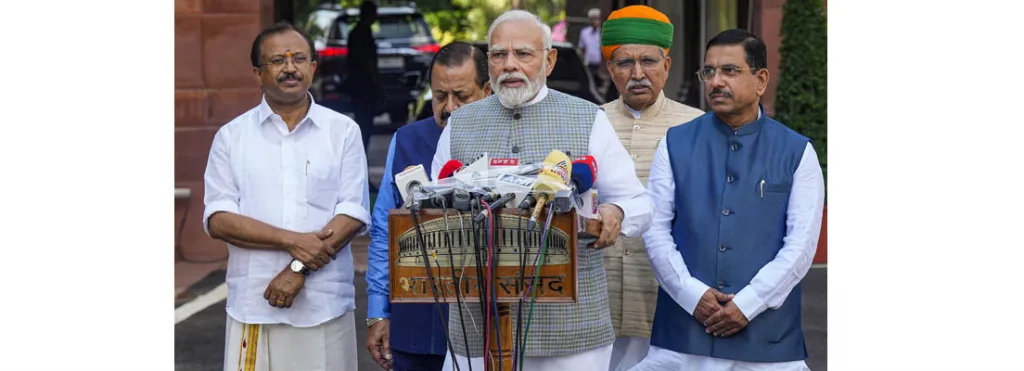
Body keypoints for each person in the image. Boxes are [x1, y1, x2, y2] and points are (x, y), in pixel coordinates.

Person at [436, 10, 653, 371]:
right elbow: (433, 202)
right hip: (478, 324)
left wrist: (615, 215)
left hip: (571, 329)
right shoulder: (460, 123)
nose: (510, 65)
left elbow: (637, 202)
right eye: (498, 55)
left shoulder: (587, 118)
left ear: (549, 60)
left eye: (523, 54)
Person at [630, 29, 825, 371]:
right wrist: (694, 296)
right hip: (684, 336)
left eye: (730, 71)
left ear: (761, 79)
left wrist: (749, 304)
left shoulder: (796, 151)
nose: (716, 81)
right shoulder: (675, 143)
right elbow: (655, 229)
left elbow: (801, 246)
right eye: (709, 72)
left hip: (769, 340)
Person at [202, 22, 370, 371]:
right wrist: (293, 242)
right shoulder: (232, 137)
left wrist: (298, 267)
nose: (290, 68)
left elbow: (352, 212)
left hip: (325, 306)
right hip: (255, 305)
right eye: (278, 60)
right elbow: (219, 220)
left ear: (313, 66)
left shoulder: (343, 131)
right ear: (258, 73)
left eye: (299, 59)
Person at [365, 41, 492, 371]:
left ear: (487, 90)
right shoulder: (406, 140)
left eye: (461, 96)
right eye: (439, 96)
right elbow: (384, 232)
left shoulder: (504, 141)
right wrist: (379, 310)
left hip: (488, 326)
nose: (448, 108)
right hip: (417, 319)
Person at [597, 6, 705, 371]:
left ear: (667, 65)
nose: (638, 73)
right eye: (625, 62)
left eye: (649, 61)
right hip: (598, 301)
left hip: (667, 299)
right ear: (610, 68)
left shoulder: (698, 127)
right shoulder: (589, 123)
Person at [346, 0, 381, 156]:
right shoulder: (364, 34)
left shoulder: (354, 33)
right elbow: (369, 62)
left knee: (362, 124)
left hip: (356, 84)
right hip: (365, 86)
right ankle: (360, 162)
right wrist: (377, 84)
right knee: (364, 126)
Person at [579, 8, 605, 90]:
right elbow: (582, 48)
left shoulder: (603, 32)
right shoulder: (584, 32)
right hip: (589, 64)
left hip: (601, 65)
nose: (594, 21)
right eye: (592, 19)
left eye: (596, 19)